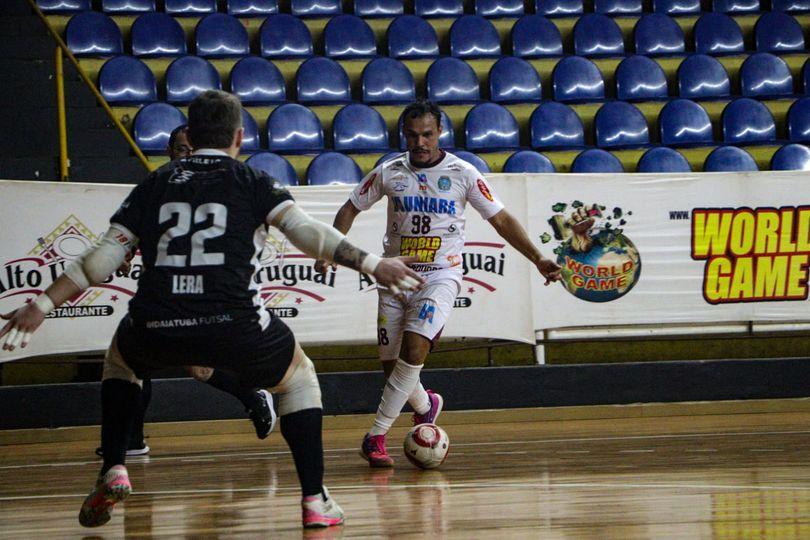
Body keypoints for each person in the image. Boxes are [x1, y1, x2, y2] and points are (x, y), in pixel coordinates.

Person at [0, 90, 423, 529]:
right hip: (235, 324)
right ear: (239, 136)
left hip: (156, 323)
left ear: (190, 133)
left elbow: (103, 257)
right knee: (299, 379)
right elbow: (306, 233)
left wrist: (43, 303)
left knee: (121, 360)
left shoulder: (155, 184)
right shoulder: (253, 182)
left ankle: (113, 466)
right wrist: (374, 263)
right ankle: (314, 499)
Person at [316, 99, 561, 467]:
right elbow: (350, 207)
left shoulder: (464, 173)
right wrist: (332, 246)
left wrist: (538, 257)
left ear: (440, 133)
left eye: (427, 135)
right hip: (395, 278)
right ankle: (425, 404)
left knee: (414, 351)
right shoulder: (389, 172)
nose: (420, 143)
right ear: (404, 136)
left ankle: (376, 435)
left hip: (440, 276)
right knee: (393, 367)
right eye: (413, 136)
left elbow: (502, 219)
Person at [95, 125, 276, 459]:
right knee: (141, 361)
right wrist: (123, 256)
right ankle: (132, 440)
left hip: (204, 293)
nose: (189, 156)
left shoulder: (224, 191)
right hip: (163, 291)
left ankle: (252, 394)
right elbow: (135, 233)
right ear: (169, 152)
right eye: (181, 150)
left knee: (181, 365)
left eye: (194, 149)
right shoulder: (158, 188)